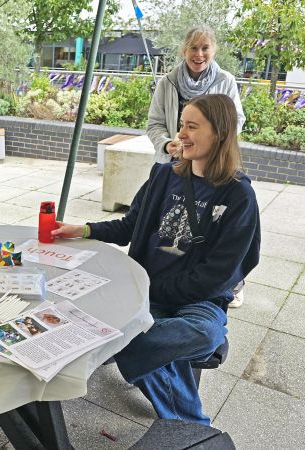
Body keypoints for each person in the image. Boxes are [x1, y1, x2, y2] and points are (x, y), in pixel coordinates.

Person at [52, 94, 260, 425]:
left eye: (192, 127)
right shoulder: (164, 176)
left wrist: (149, 301)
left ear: (220, 133)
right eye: (181, 126)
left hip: (198, 302)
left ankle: (115, 343)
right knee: (158, 344)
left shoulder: (239, 196)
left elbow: (218, 277)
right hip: (147, 294)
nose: (181, 135)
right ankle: (191, 427)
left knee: (206, 333)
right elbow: (129, 226)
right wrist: (83, 228)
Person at [147, 25, 247, 307]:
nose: (199, 54)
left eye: (205, 48)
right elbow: (154, 123)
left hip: (210, 165)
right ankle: (168, 274)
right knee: (160, 220)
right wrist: (168, 144)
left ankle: (229, 282)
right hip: (173, 164)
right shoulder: (168, 82)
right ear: (184, 51)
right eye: (193, 47)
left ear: (214, 51)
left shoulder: (226, 81)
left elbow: (234, 121)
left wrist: (208, 148)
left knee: (215, 228)